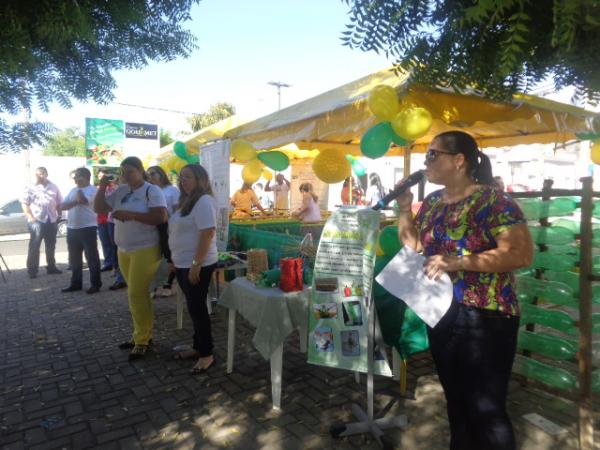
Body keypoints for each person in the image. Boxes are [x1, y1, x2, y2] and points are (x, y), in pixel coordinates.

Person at [395, 131, 533, 450]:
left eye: (433, 155)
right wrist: (404, 209)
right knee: (455, 402)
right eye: (425, 155)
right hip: (441, 312)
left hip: (487, 316)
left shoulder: (494, 201)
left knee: (486, 409)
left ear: (459, 161)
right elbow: (415, 246)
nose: (425, 162)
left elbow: (520, 255)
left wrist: (458, 262)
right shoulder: (431, 202)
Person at [94, 156, 168, 361]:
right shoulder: (120, 190)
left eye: (129, 171)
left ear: (140, 170)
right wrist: (101, 187)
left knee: (136, 293)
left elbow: (161, 217)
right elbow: (99, 208)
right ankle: (142, 334)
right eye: (122, 172)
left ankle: (142, 340)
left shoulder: (151, 190)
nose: (125, 175)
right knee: (137, 294)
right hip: (123, 250)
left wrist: (132, 215)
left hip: (146, 248)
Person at [168, 164, 218, 374]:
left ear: (200, 179)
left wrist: (196, 265)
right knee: (193, 307)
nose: (183, 181)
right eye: (181, 178)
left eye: (187, 177)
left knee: (197, 309)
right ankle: (198, 347)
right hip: (183, 263)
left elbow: (208, 233)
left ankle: (206, 354)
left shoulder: (204, 201)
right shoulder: (187, 201)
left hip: (197, 264)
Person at [61, 167, 102, 294]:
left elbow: (84, 200)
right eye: (75, 177)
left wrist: (78, 194)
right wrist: (76, 200)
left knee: (91, 258)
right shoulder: (73, 190)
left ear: (86, 177)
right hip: (72, 228)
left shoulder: (93, 190)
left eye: (78, 176)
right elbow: (63, 205)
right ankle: (76, 283)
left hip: (88, 227)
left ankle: (95, 284)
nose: (75, 179)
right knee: (74, 258)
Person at [20, 167, 63, 278]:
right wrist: (30, 217)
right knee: (35, 246)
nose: (39, 176)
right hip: (37, 220)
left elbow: (59, 202)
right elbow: (24, 203)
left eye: (42, 174)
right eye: (37, 174)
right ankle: (32, 270)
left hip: (51, 220)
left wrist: (60, 215)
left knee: (51, 245)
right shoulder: (30, 187)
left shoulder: (54, 186)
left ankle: (51, 267)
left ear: (46, 174)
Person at [147, 165, 180, 297]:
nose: (150, 176)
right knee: (154, 256)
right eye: (148, 174)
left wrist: (174, 226)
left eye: (153, 173)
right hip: (152, 228)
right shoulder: (148, 190)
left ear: (161, 174)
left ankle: (168, 284)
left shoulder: (171, 190)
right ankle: (154, 285)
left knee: (169, 256)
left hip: (168, 227)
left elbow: (178, 210)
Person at [97, 168, 114, 272]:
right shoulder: (98, 188)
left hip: (110, 219)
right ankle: (108, 262)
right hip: (100, 219)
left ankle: (115, 264)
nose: (101, 179)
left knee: (113, 243)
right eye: (99, 177)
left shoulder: (113, 188)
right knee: (105, 242)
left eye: (103, 177)